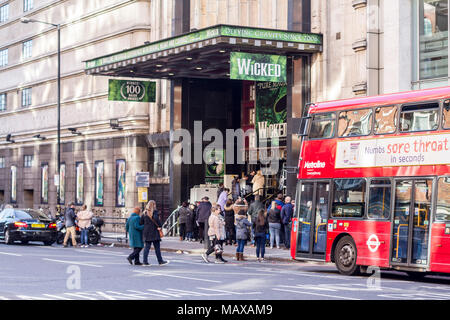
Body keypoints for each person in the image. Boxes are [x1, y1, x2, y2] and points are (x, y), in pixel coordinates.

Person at [140, 200, 169, 266]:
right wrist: (159, 226)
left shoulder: (144, 213)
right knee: (157, 248)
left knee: (147, 247)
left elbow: (141, 222)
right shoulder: (155, 213)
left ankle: (145, 261)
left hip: (147, 232)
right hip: (154, 232)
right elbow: (158, 222)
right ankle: (160, 261)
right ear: (154, 205)